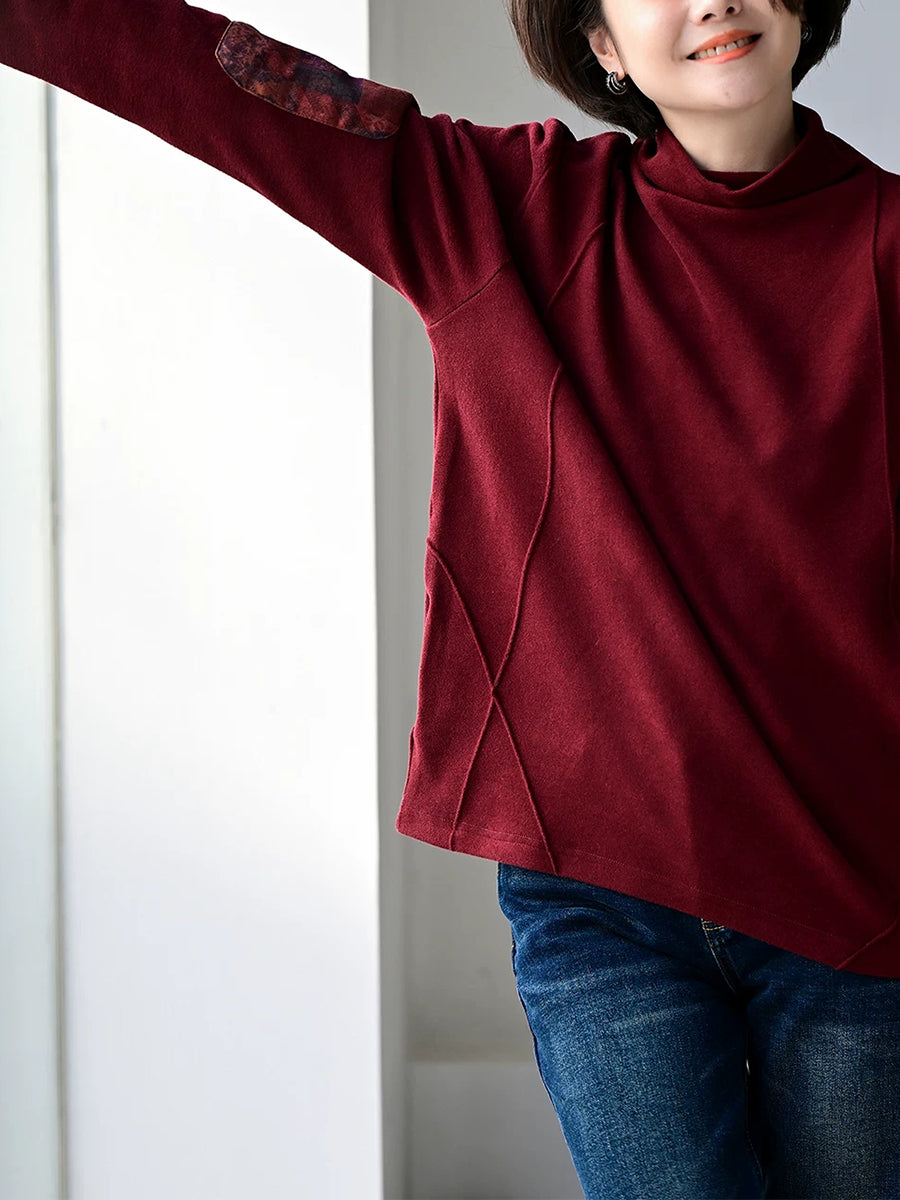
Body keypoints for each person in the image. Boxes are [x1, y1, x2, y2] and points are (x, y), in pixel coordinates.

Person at [2, 1, 899, 1196]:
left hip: (857, 896)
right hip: (606, 902)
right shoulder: (502, 216)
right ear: (600, 44)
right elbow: (220, 82)